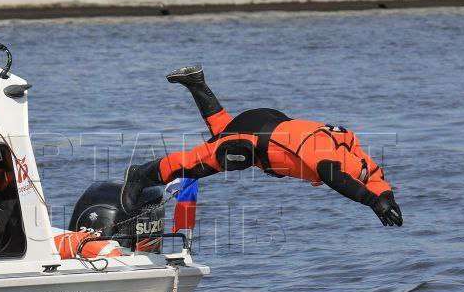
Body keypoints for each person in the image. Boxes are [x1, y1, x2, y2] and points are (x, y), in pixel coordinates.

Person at [121, 66, 403, 227]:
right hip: (256, 136)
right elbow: (334, 178)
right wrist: (371, 202)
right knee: (205, 161)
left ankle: (197, 84)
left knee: (223, 133)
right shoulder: (324, 151)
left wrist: (386, 200)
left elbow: (374, 176)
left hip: (270, 126)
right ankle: (142, 174)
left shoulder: (349, 145)